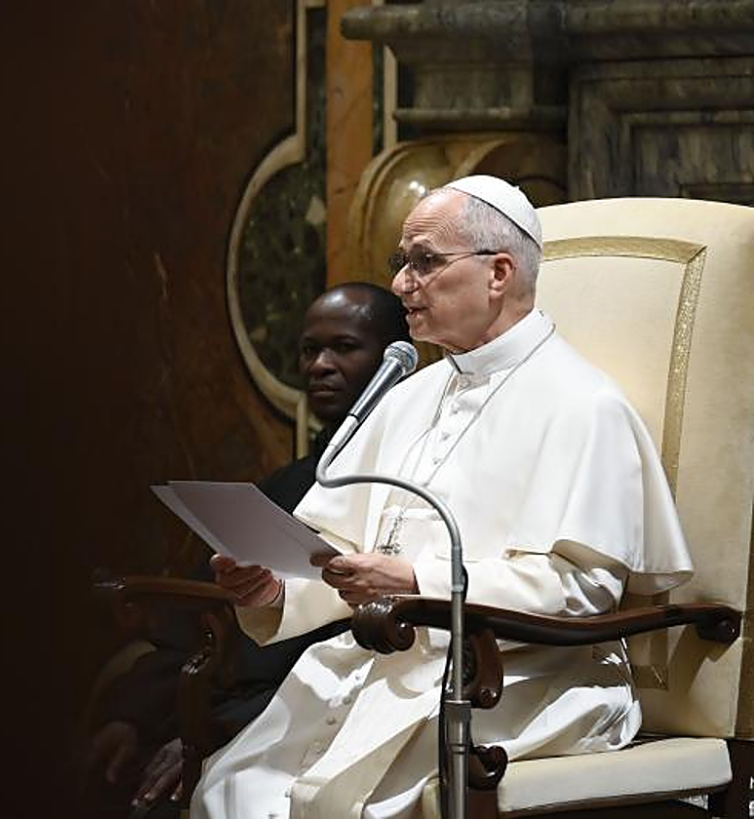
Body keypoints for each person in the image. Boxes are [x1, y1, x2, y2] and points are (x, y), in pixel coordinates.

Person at [194, 175, 695, 818]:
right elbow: (342, 552)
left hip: (516, 680)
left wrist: (415, 579)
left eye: (425, 262)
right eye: (401, 263)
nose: (403, 283)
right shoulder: (408, 393)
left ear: (499, 273)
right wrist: (279, 592)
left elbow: (581, 588)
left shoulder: (584, 406)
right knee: (233, 792)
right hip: (381, 664)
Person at [84, 283, 411, 817]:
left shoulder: (401, 491)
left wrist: (208, 738)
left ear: (396, 361)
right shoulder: (286, 485)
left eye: (345, 348)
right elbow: (195, 619)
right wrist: (136, 716)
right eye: (309, 350)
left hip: (302, 715)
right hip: (219, 702)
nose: (320, 366)